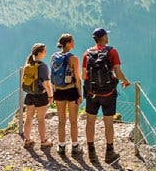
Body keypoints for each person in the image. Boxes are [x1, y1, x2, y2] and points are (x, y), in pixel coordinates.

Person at [82, 27, 131, 163]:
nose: (107, 37)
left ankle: (91, 152)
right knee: (108, 122)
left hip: (92, 93)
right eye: (106, 35)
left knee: (90, 121)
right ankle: (109, 153)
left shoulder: (87, 53)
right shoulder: (112, 51)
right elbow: (118, 72)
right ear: (104, 37)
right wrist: (125, 81)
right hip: (108, 93)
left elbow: (84, 75)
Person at [50, 33, 83, 156]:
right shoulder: (73, 58)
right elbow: (78, 78)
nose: (74, 43)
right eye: (72, 41)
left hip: (58, 91)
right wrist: (80, 94)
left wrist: (54, 92)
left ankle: (61, 146)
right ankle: (75, 146)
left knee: (61, 121)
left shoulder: (53, 57)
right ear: (68, 43)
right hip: (71, 91)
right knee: (73, 121)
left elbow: (52, 76)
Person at [20, 43, 52, 149]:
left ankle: (27, 140)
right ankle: (43, 141)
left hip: (30, 95)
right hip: (40, 95)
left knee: (28, 118)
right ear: (39, 53)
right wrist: (50, 96)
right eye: (44, 51)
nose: (46, 53)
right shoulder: (42, 66)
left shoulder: (28, 64)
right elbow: (46, 84)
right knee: (41, 119)